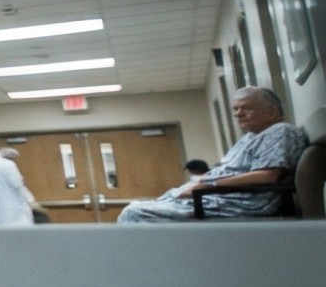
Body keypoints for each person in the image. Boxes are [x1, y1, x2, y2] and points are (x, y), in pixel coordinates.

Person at [120, 88, 305, 221]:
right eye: (236, 109)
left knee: (135, 213)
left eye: (246, 108)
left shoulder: (280, 131)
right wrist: (202, 181)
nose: (238, 114)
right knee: (143, 204)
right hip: (217, 195)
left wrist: (207, 184)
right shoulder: (250, 136)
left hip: (240, 202)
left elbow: (267, 176)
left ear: (271, 111)